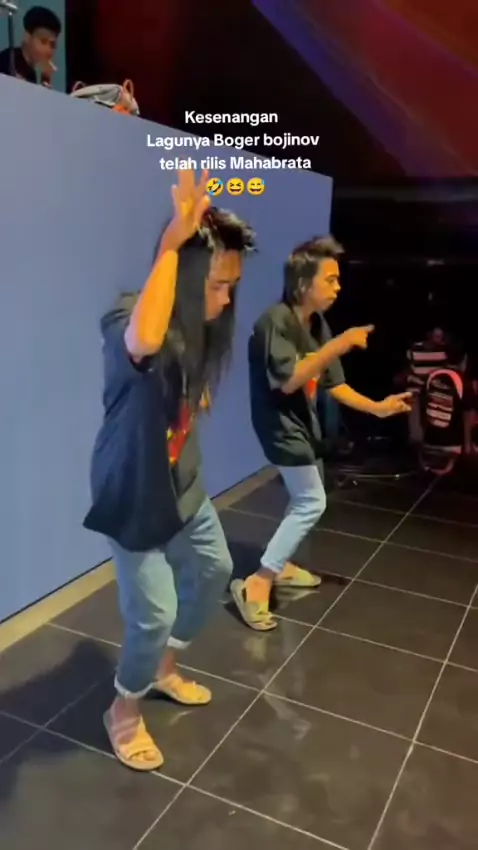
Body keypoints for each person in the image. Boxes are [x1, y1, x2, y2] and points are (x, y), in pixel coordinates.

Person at [83, 169, 256, 771]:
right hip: (132, 489)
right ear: (181, 274)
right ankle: (122, 710)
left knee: (215, 569)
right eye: (217, 285)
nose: (226, 300)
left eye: (232, 286)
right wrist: (170, 247)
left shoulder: (200, 329)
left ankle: (160, 664)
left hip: (182, 480)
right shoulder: (126, 317)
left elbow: (184, 384)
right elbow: (144, 341)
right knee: (153, 611)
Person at [232, 236, 411, 631]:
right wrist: (340, 344)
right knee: (312, 501)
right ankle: (257, 582)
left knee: (302, 499)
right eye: (330, 279)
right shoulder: (274, 322)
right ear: (302, 283)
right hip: (280, 427)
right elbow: (289, 381)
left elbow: (334, 383)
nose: (338, 287)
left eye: (338, 279)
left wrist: (378, 407)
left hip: (304, 426)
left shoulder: (316, 324)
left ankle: (279, 563)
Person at [0, 5, 61, 86]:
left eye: (52, 45)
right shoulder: (9, 61)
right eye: (43, 41)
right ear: (27, 37)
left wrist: (45, 78)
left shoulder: (31, 73)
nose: (48, 50)